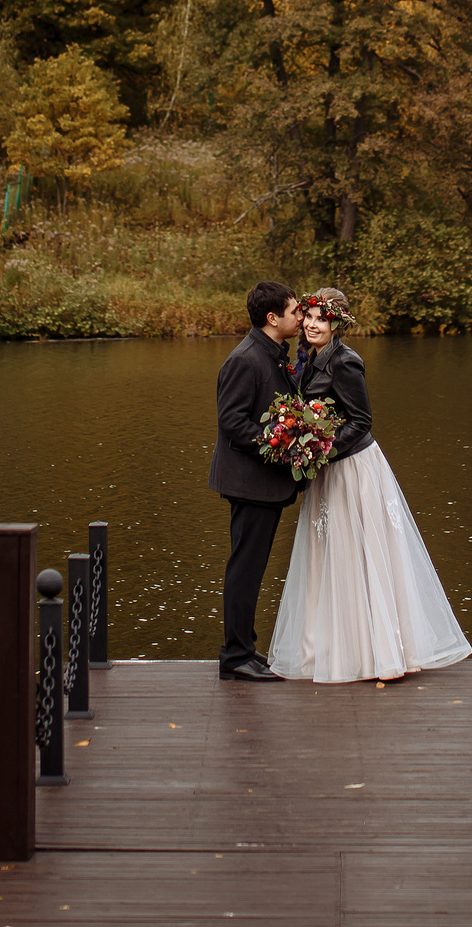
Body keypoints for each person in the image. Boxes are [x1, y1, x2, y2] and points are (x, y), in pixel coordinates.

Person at [265, 287, 471, 684]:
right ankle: (327, 650)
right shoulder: (307, 359)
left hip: (353, 468)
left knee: (361, 554)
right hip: (327, 472)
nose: (310, 324)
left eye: (320, 319)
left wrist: (319, 453)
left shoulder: (345, 362)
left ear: (337, 324)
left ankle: (379, 651)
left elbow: (361, 422)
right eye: (307, 317)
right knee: (328, 556)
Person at [206, 280, 302, 681]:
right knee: (244, 569)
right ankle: (235, 657)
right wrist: (276, 445)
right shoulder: (245, 359)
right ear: (272, 317)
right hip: (249, 483)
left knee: (251, 568)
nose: (300, 316)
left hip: (261, 484)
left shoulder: (273, 354)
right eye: (295, 311)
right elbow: (231, 422)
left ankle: (245, 648)